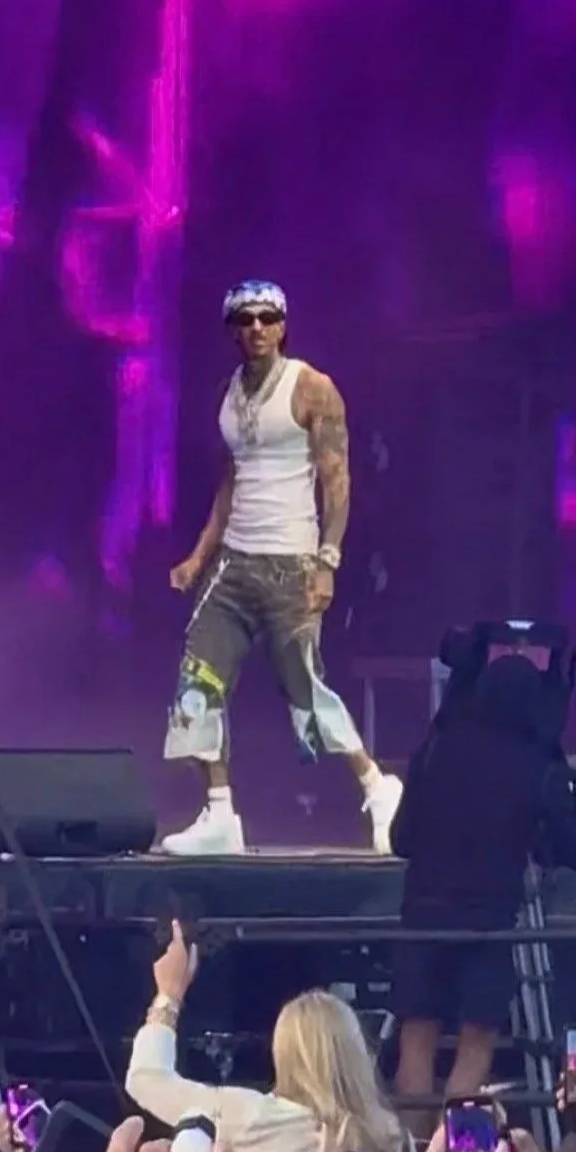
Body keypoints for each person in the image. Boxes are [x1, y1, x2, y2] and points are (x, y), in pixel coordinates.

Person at [159, 279, 402, 855]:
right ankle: (219, 813)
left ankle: (377, 784)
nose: (258, 328)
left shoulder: (311, 388)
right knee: (198, 681)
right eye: (246, 319)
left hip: (291, 561)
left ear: (284, 324)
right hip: (235, 562)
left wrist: (328, 561)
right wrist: (199, 555)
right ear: (232, 329)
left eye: (268, 317)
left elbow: (336, 479)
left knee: (304, 687)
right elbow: (231, 479)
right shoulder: (227, 394)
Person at [390, 647, 576, 1112]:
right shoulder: (537, 767)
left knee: (416, 1041)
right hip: (486, 924)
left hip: (422, 917)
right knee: (475, 1045)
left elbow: (401, 839)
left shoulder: (434, 750)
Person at [126, 923, 411, 1152]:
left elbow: (147, 1081)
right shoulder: (395, 1140)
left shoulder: (254, 1117)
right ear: (356, 1052)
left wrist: (169, 996)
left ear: (282, 1052)